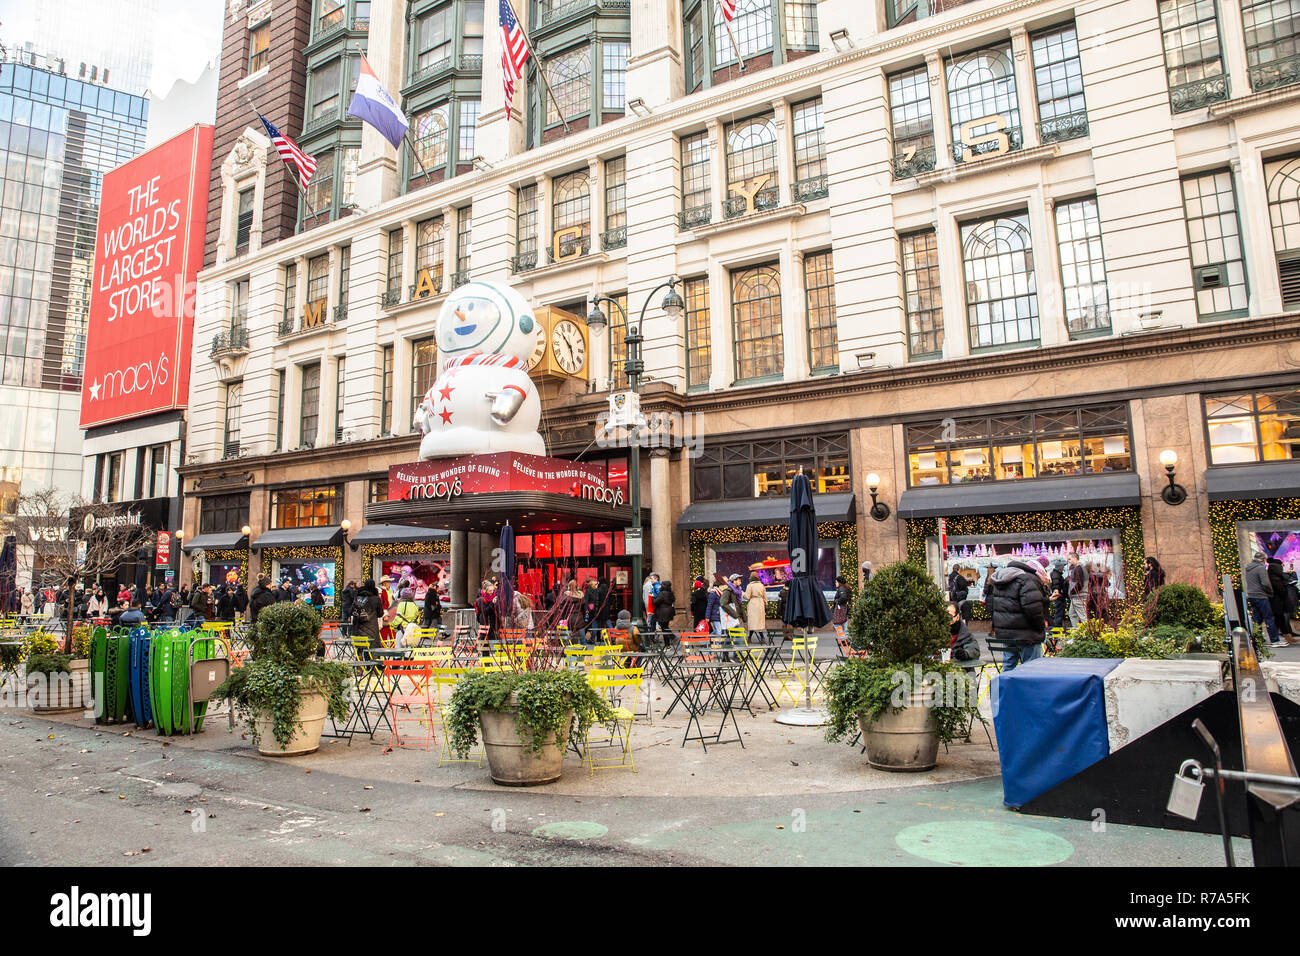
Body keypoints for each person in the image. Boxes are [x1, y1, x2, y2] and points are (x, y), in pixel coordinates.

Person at [987, 559, 1048, 672]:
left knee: (1008, 667)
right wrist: (1040, 627)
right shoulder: (1027, 580)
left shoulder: (1001, 579)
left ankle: (1005, 689)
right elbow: (1033, 608)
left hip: (1006, 634)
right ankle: (1029, 690)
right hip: (1027, 634)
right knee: (1032, 669)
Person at [350, 579, 383, 654]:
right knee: (372, 648)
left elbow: (351, 611)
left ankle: (359, 661)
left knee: (360, 647)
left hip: (358, 628)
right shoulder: (376, 598)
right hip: (372, 629)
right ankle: (371, 664)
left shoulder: (358, 597)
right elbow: (380, 613)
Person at [1066, 552, 1089, 627]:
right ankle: (1077, 634)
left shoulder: (1078, 568)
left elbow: (1079, 583)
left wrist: (1072, 592)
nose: (1068, 561)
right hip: (1078, 595)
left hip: (1078, 595)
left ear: (1075, 558)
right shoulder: (1079, 567)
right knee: (1072, 614)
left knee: (1082, 616)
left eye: (1069, 559)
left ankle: (1087, 633)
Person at [475, 579, 499, 644]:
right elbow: (484, 611)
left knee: (493, 639)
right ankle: (484, 653)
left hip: (493, 623)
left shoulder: (495, 597)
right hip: (485, 622)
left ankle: (492, 653)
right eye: (490, 590)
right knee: (485, 640)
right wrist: (492, 603)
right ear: (486, 591)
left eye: (493, 590)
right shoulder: (481, 600)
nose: (492, 592)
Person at [1048, 561, 1068, 630]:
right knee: (1059, 612)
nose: (1063, 569)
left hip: (1059, 595)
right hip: (1059, 596)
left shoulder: (1056, 574)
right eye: (1062, 567)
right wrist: (1057, 592)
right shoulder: (1056, 575)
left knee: (1059, 611)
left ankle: (1058, 627)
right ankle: (1058, 628)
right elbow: (1056, 585)